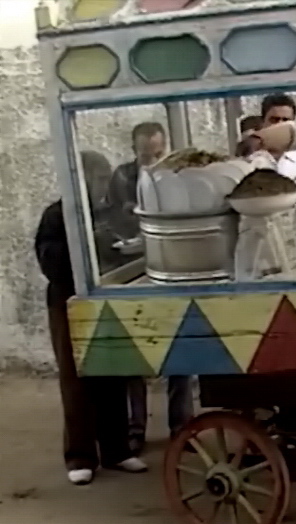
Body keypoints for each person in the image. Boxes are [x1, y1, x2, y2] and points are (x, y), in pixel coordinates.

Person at [35, 151, 148, 485]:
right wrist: (84, 244)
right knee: (76, 380)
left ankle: (117, 450)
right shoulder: (57, 215)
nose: (104, 185)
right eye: (98, 178)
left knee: (112, 373)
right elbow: (49, 262)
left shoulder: (109, 211)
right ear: (79, 179)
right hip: (68, 302)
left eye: (105, 179)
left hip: (106, 297)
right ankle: (80, 456)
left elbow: (124, 245)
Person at [106, 122, 196, 454]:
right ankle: (136, 429)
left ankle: (181, 426)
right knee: (134, 356)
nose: (153, 161)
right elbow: (115, 217)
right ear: (134, 151)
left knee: (180, 352)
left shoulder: (180, 174)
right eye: (146, 155)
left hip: (173, 268)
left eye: (158, 153)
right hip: (132, 268)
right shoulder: (122, 177)